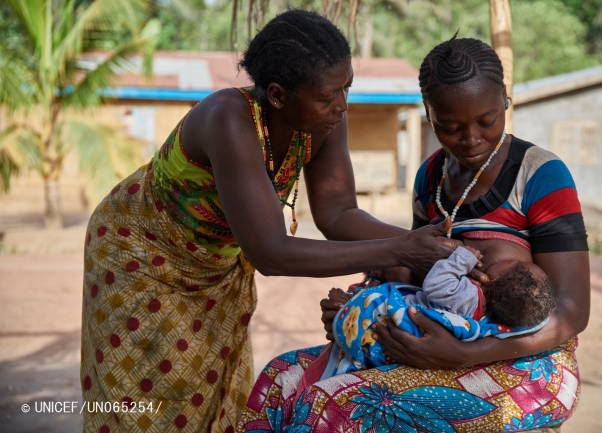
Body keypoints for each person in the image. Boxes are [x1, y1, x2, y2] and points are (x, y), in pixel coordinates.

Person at [79, 10, 471, 433]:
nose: (341, 105)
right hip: (142, 255)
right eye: (327, 96)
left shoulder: (323, 122)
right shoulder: (228, 120)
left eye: (347, 88)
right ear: (280, 96)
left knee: (210, 389)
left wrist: (444, 248)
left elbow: (338, 215)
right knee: (148, 392)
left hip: (217, 266)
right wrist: (402, 248)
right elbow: (270, 251)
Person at [238, 34, 590, 433]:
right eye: (450, 126)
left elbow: (572, 312)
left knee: (334, 405)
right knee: (280, 378)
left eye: (487, 121)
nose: (471, 139)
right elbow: (415, 272)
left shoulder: (540, 175)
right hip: (435, 347)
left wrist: (462, 355)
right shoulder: (431, 177)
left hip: (528, 367)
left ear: (504, 100)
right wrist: (360, 308)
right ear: (429, 112)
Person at [327, 238, 557, 373]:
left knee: (371, 308)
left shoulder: (469, 298)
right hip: (399, 336)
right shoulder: (489, 316)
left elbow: (436, 285)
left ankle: (349, 309)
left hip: (386, 324)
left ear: (492, 279)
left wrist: (463, 258)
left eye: (513, 264)